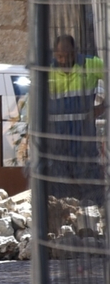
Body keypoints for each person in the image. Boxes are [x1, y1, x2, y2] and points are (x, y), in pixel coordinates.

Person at [48, 34, 104, 201]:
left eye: (68, 56)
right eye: (60, 56)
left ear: (76, 52)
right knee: (60, 187)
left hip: (83, 140)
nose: (64, 61)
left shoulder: (91, 65)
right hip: (58, 141)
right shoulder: (47, 71)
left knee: (89, 183)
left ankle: (94, 215)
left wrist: (102, 107)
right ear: (54, 54)